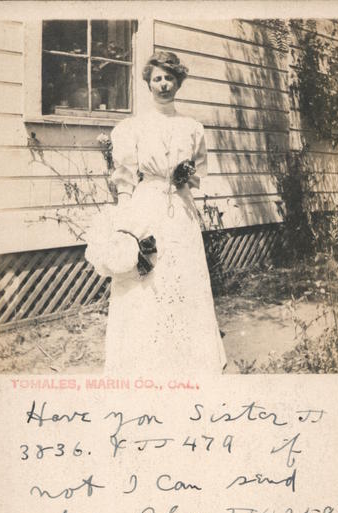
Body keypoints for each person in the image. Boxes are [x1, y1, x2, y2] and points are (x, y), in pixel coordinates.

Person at [103, 51, 226, 377]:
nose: (163, 84)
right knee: (149, 279)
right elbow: (126, 177)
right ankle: (146, 357)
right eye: (157, 78)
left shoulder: (192, 127)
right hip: (148, 207)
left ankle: (188, 357)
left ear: (178, 82)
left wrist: (186, 177)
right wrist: (125, 218)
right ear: (148, 83)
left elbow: (200, 172)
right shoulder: (135, 127)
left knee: (182, 275)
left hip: (181, 210)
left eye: (169, 78)